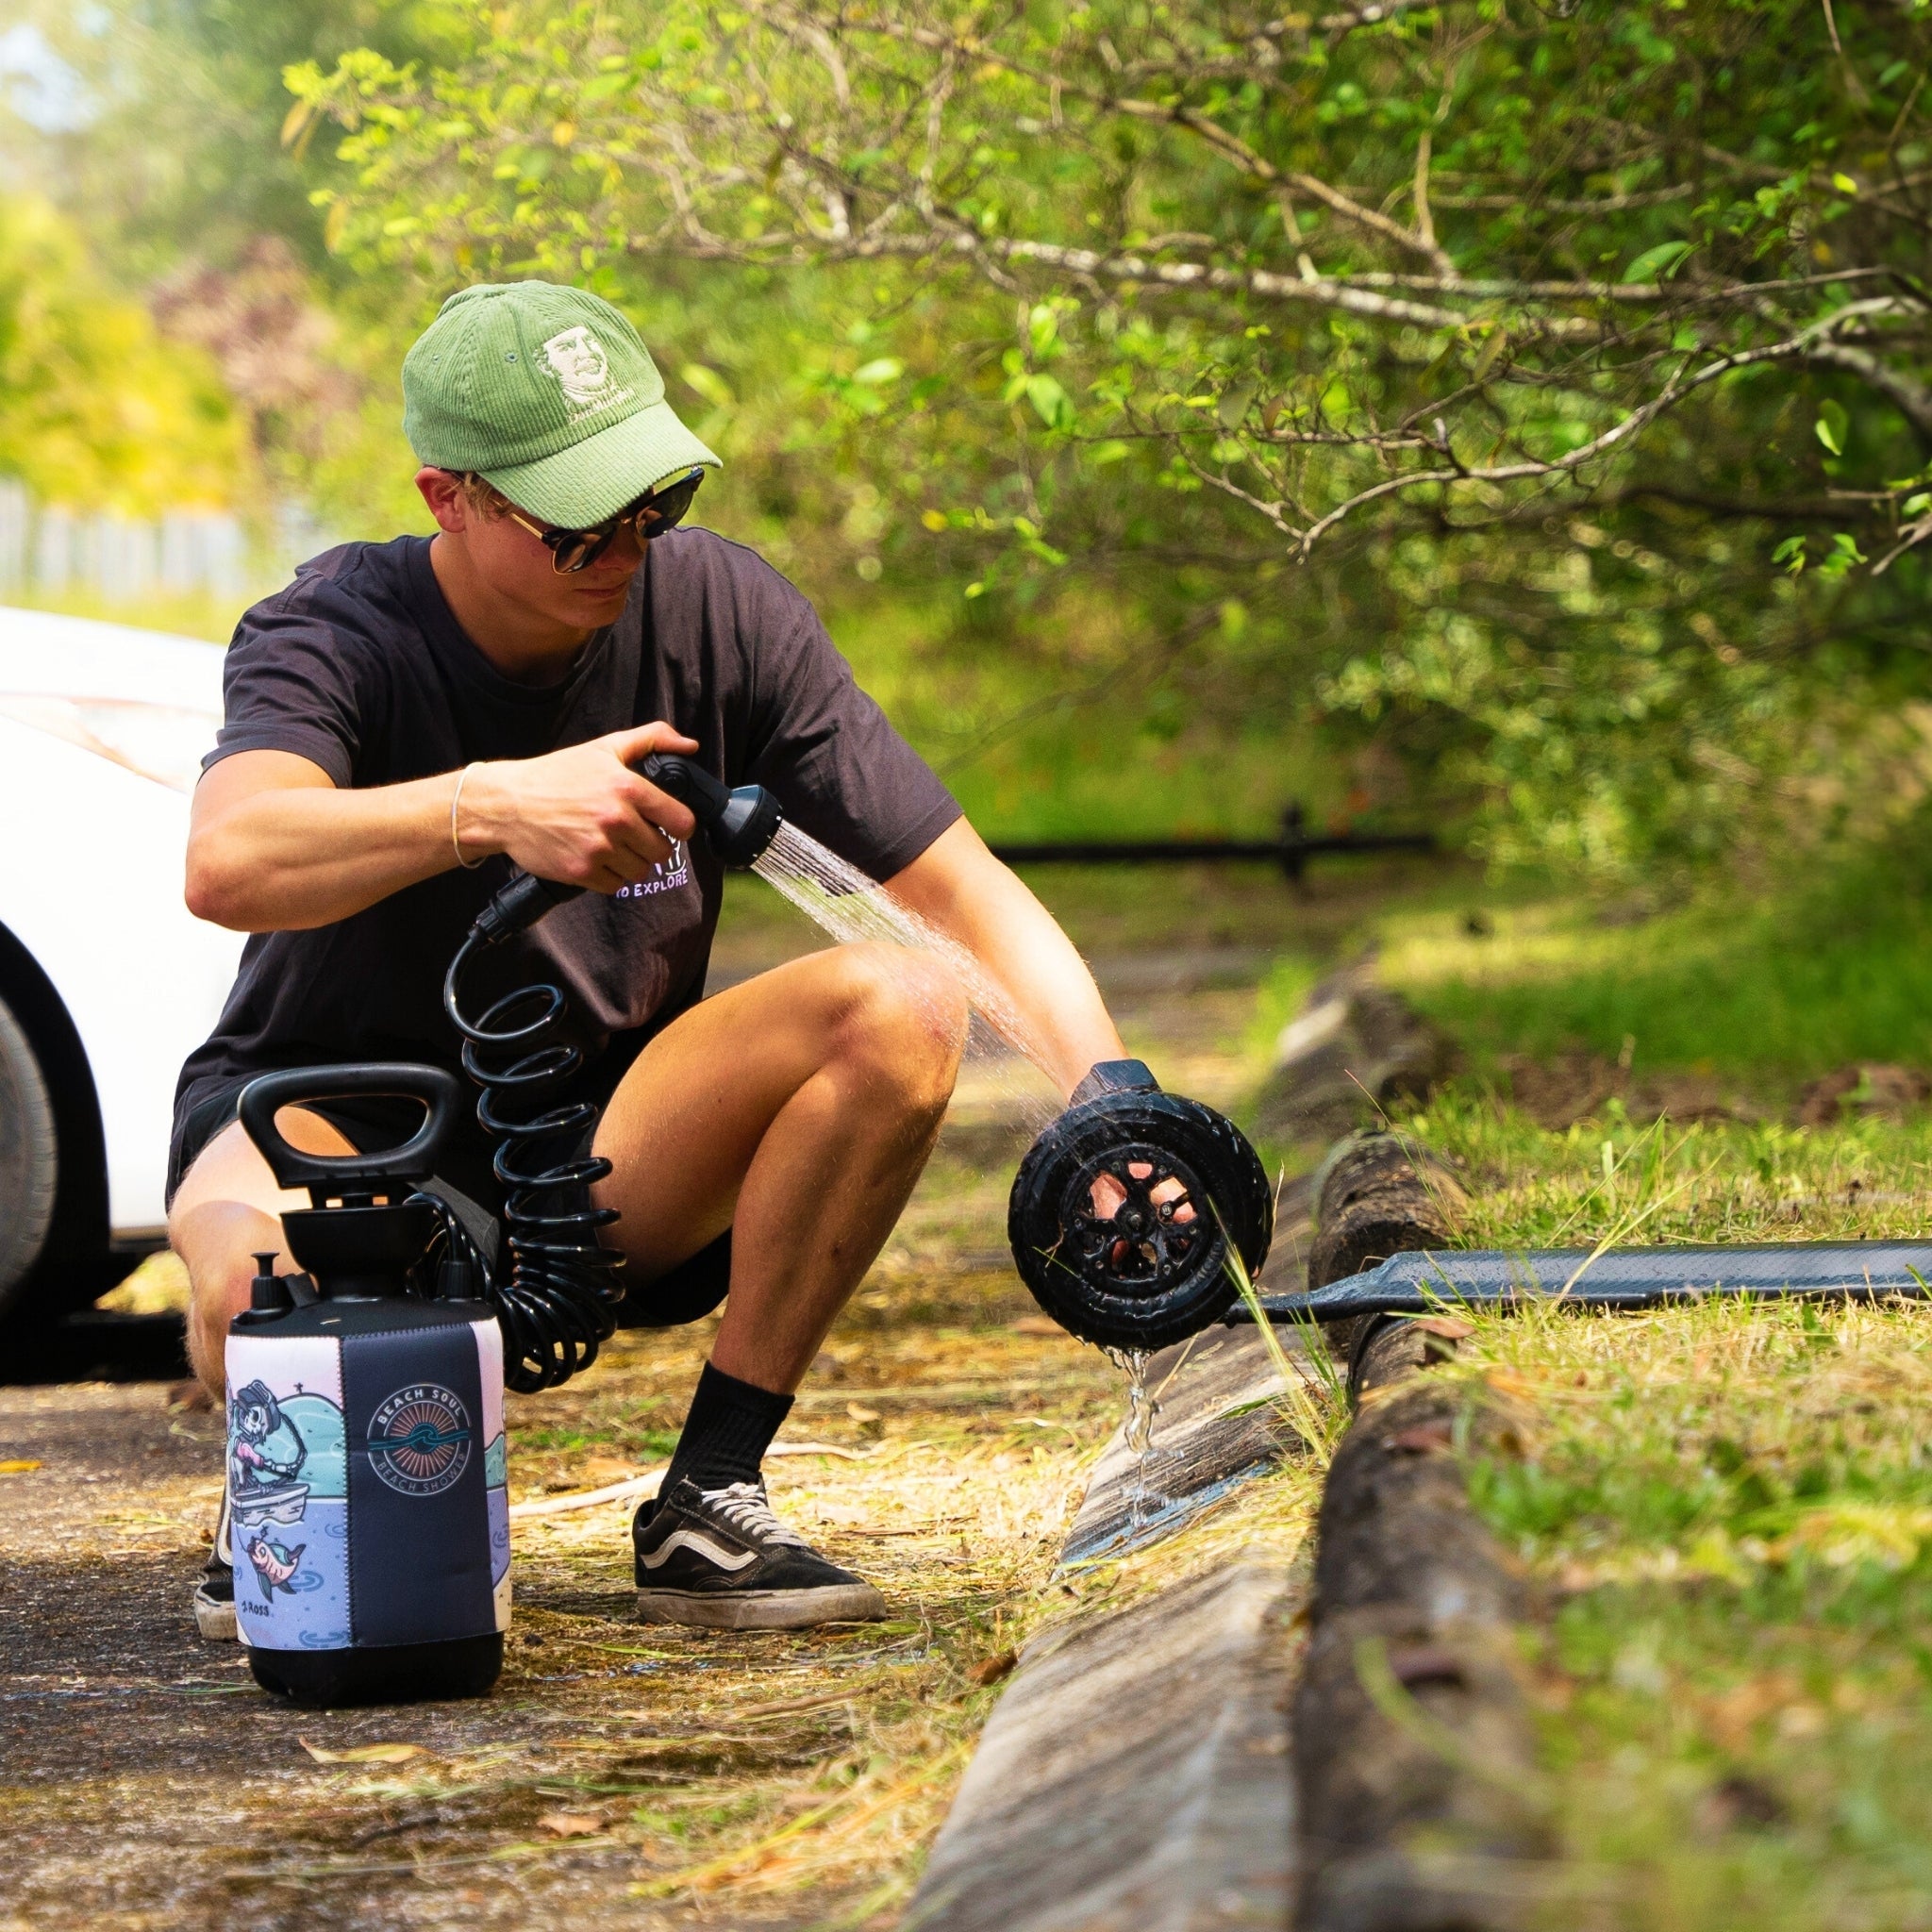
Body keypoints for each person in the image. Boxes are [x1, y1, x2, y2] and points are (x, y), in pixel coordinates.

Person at [169, 280, 1129, 1641]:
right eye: (577, 519)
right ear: (449, 498)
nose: (626, 543)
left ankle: (710, 1499)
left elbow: (958, 891)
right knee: (237, 1277)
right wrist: (491, 806)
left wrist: (1117, 1114)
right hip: (328, 1122)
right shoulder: (330, 627)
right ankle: (279, 1505)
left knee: (905, 995)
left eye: (654, 497)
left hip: (608, 1143)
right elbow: (230, 859)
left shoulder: (724, 616)